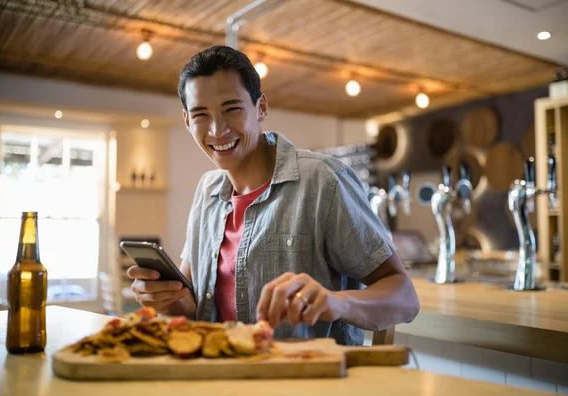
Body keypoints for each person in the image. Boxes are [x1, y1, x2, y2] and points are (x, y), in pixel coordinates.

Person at [128, 46, 419, 345]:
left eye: (232, 108)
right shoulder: (206, 191)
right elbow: (193, 311)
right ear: (188, 121)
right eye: (201, 114)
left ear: (261, 107)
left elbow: (405, 298)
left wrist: (338, 302)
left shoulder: (323, 181)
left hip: (307, 381)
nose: (217, 130)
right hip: (219, 379)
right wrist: (164, 298)